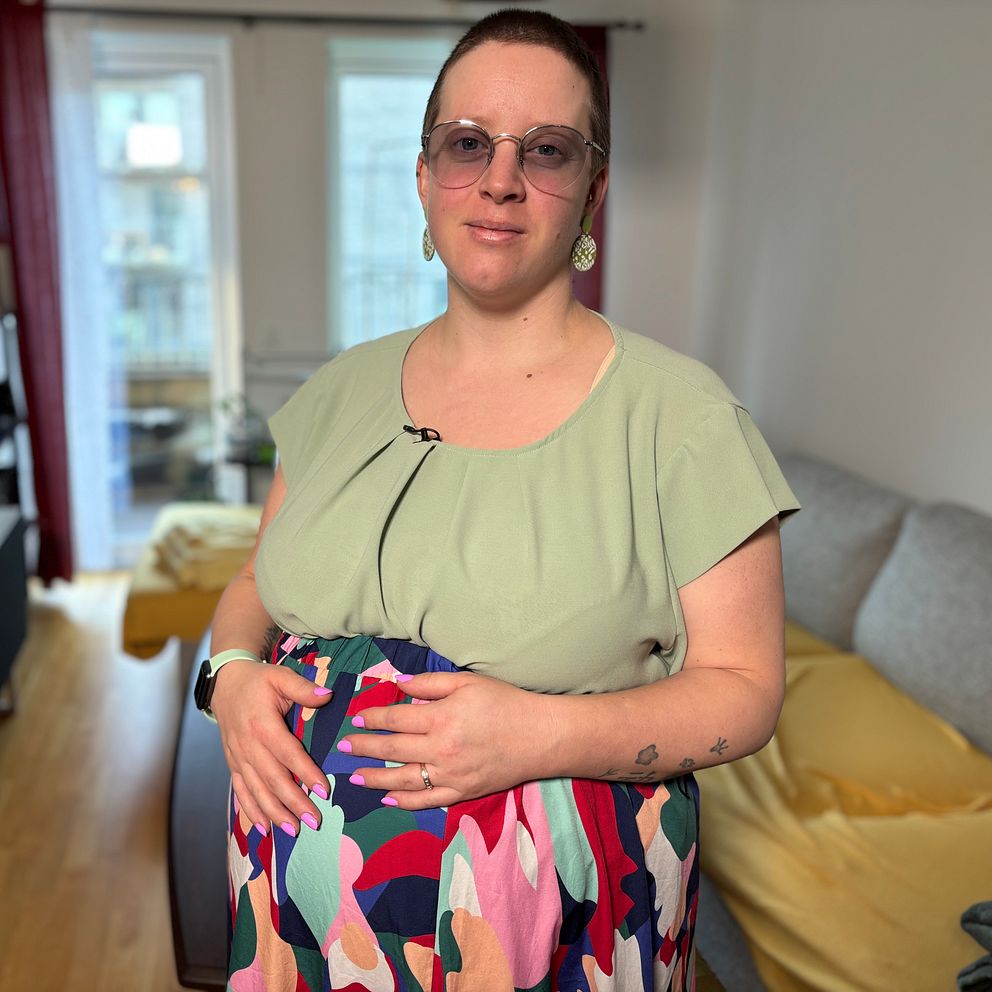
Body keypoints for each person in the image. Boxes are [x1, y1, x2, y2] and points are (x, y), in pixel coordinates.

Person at [204, 9, 799, 991]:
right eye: (468, 143)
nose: (500, 181)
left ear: (592, 190)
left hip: (560, 924)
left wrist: (539, 734)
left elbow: (746, 691)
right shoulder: (337, 392)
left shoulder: (683, 419)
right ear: (424, 175)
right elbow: (252, 582)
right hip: (295, 901)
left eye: (547, 149)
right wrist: (228, 676)